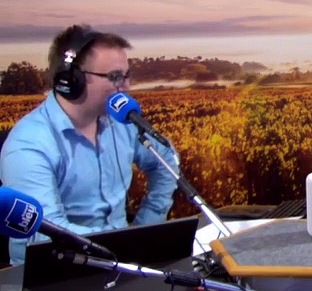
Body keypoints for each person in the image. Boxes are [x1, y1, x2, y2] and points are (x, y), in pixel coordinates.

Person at [0, 24, 179, 265]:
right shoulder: (29, 144)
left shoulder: (121, 123)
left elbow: (166, 162)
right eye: (114, 77)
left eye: (127, 75)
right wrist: (127, 246)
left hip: (124, 263)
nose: (126, 87)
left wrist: (147, 225)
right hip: (55, 272)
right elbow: (47, 232)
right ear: (71, 81)